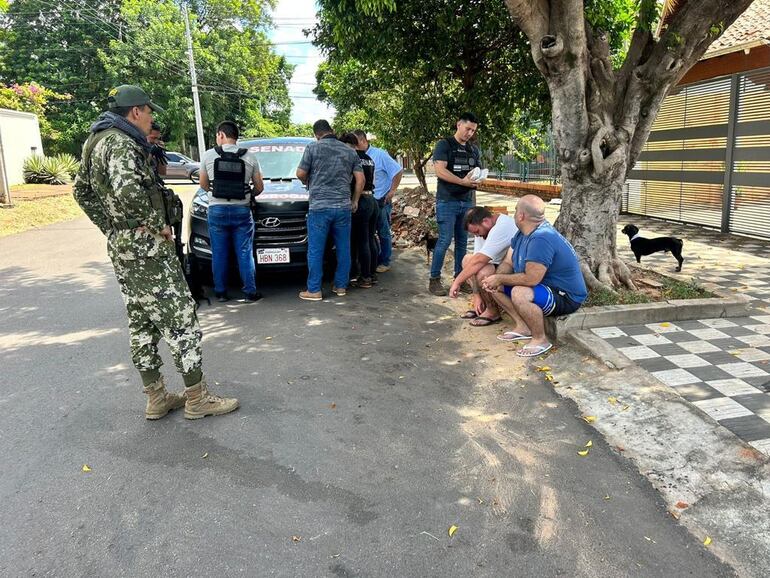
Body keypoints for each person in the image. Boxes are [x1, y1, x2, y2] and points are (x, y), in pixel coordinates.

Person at [72, 85, 238, 419]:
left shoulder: (96, 142)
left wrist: (112, 226)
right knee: (181, 320)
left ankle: (157, 397)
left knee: (141, 321)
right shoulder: (120, 143)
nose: (151, 118)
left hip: (125, 245)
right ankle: (197, 398)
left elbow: (81, 191)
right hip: (147, 246)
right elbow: (129, 189)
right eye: (149, 111)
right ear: (135, 111)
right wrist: (153, 224)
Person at [482, 195, 587, 357]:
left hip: (566, 296)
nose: (514, 213)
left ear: (521, 216)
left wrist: (500, 279)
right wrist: (496, 279)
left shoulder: (541, 238)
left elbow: (531, 279)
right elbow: (508, 261)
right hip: (544, 289)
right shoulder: (523, 233)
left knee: (519, 292)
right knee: (495, 287)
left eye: (516, 210)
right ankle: (523, 327)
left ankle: (540, 339)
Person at [296, 120, 364, 301]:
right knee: (343, 248)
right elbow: (361, 179)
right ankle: (341, 286)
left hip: (319, 207)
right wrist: (354, 200)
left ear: (316, 134)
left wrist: (308, 181)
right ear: (332, 131)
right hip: (343, 207)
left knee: (316, 250)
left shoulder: (313, 148)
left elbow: (300, 174)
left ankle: (314, 290)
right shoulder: (349, 151)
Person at [199, 121, 264, 303]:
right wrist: (248, 195)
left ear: (221, 134)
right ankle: (250, 292)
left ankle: (220, 292)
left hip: (216, 210)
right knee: (244, 252)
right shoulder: (250, 157)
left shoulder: (208, 155)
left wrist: (215, 193)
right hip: (241, 210)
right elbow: (259, 186)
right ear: (236, 137)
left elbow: (203, 184)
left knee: (219, 252)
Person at [429, 112, 481, 296]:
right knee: (444, 240)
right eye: (467, 128)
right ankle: (434, 279)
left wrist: (476, 180)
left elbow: (476, 171)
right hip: (447, 201)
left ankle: (460, 278)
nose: (469, 133)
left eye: (473, 130)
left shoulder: (473, 150)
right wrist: (463, 182)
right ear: (459, 125)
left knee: (462, 242)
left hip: (466, 202)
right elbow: (440, 171)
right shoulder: (445, 145)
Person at [448, 206, 518, 326]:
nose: (477, 236)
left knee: (483, 271)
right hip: (498, 266)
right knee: (467, 260)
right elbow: (474, 261)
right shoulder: (484, 230)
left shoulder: (502, 226)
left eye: (476, 232)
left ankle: (493, 311)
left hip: (513, 270)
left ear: (485, 221)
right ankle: (483, 306)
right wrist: (476, 295)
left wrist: (457, 282)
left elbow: (479, 261)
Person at [353, 130, 403, 274]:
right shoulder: (355, 156)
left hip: (381, 199)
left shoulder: (379, 155)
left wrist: (392, 191)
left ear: (363, 141)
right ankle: (370, 262)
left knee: (383, 231)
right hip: (366, 202)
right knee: (368, 234)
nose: (354, 147)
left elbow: (397, 171)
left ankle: (385, 261)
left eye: (355, 144)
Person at [340, 132, 378, 288]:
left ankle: (365, 276)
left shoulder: (352, 158)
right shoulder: (369, 159)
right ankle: (371, 273)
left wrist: (353, 200)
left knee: (360, 241)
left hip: (360, 200)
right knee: (370, 238)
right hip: (371, 200)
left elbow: (358, 181)